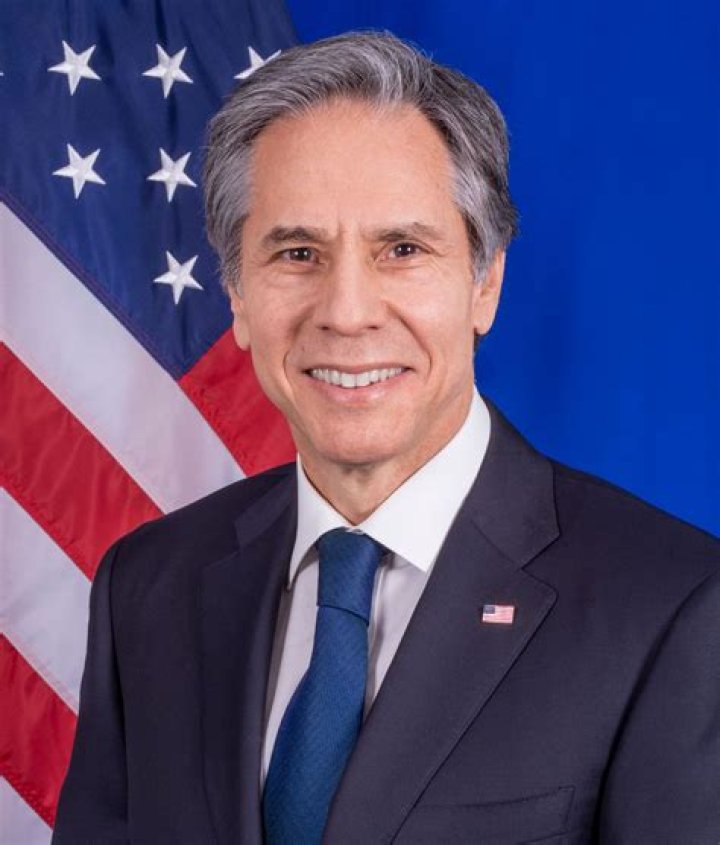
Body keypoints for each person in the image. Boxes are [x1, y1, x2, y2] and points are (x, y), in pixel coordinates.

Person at [53, 32, 720, 844]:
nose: (347, 312)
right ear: (236, 294)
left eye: (402, 250)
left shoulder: (671, 608)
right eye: (297, 253)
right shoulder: (148, 586)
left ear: (485, 281)